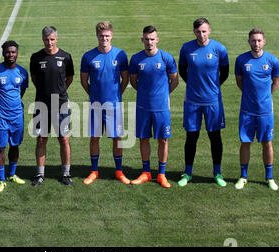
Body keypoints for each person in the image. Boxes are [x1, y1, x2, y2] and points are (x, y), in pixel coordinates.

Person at [177, 18, 229, 187]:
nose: (202, 34)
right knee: (191, 136)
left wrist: (212, 87)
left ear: (210, 30)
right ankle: (188, 173)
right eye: (198, 31)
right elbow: (182, 70)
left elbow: (225, 72)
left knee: (215, 137)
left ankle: (217, 173)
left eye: (204, 31)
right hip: (192, 101)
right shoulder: (186, 48)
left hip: (213, 101)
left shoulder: (219, 48)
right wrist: (194, 85)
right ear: (194, 32)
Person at [129, 25, 179, 188]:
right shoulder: (136, 59)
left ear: (157, 39)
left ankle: (161, 174)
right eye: (147, 39)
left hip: (161, 108)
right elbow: (133, 81)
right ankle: (146, 172)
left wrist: (163, 94)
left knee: (163, 140)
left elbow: (175, 80)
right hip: (143, 107)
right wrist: (146, 94)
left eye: (152, 39)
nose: (149, 42)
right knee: (144, 138)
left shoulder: (166, 58)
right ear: (142, 40)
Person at [80, 21, 130, 185]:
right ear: (97, 36)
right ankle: (94, 171)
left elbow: (125, 78)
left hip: (114, 105)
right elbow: (84, 81)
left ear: (111, 35)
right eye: (101, 36)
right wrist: (94, 95)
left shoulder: (120, 54)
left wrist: (116, 95)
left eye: (107, 35)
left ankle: (119, 171)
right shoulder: (88, 56)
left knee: (117, 138)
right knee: (94, 137)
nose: (104, 38)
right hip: (95, 105)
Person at [234, 29, 279, 191]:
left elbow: (276, 82)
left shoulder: (272, 60)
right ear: (249, 41)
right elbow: (239, 82)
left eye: (259, 40)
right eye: (253, 40)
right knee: (245, 142)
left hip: (265, 111)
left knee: (267, 142)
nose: (256, 43)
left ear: (264, 41)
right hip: (247, 110)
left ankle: (269, 177)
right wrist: (250, 96)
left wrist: (265, 97)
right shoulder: (241, 60)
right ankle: (243, 176)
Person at [29, 26, 75, 186]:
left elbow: (69, 78)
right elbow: (34, 78)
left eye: (52, 39)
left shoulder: (66, 57)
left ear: (57, 39)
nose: (49, 42)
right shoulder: (36, 57)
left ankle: (66, 173)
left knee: (64, 139)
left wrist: (59, 92)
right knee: (41, 139)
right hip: (41, 103)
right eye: (47, 39)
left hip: (61, 103)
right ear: (42, 39)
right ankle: (39, 174)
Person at [0, 40, 28, 193]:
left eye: (13, 52)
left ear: (17, 53)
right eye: (8, 52)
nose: (11, 55)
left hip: (17, 115)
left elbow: (22, 91)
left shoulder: (23, 72)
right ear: (3, 53)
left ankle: (12, 174)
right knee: (1, 147)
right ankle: (1, 179)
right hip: (1, 117)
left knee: (15, 145)